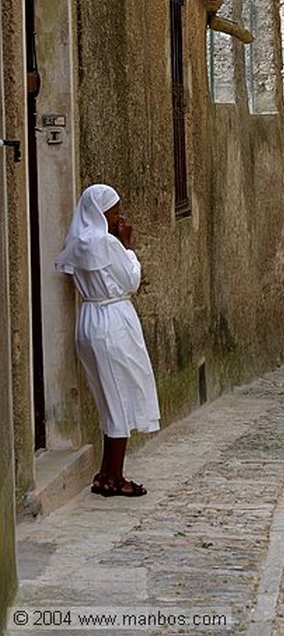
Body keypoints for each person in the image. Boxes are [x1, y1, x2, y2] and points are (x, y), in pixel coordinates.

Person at [56, 184, 160, 497]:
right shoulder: (107, 243)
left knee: (108, 395)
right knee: (120, 396)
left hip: (89, 318)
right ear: (101, 212)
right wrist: (127, 245)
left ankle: (106, 472)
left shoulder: (79, 241)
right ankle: (114, 478)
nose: (119, 215)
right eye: (114, 210)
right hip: (112, 320)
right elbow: (130, 280)